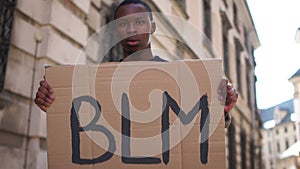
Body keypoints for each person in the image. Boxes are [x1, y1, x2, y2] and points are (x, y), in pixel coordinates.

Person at [34, 0, 238, 128]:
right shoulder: (98, 81)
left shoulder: (178, 77)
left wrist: (223, 112)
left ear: (153, 27)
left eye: (139, 22)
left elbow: (197, 128)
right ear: (115, 31)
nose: (131, 29)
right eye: (123, 24)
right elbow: (81, 126)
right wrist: (54, 106)